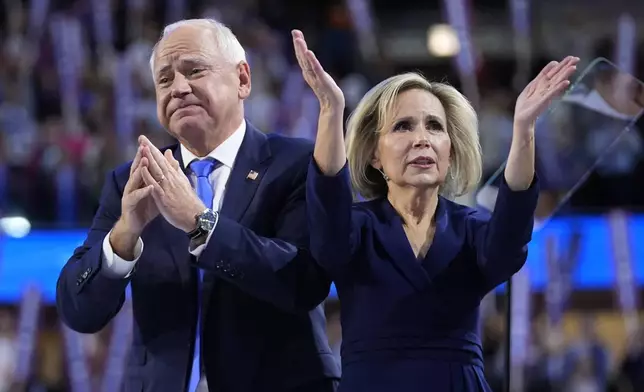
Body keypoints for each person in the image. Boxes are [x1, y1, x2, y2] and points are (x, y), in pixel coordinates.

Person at [56, 19, 341, 392]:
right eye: (164, 79)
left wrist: (199, 222)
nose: (178, 88)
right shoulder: (133, 180)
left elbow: (304, 281)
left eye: (194, 71)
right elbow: (80, 312)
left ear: (242, 80)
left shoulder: (296, 164)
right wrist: (124, 236)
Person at [292, 29, 579, 391]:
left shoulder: (473, 229)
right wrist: (331, 111)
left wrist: (523, 129)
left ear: (450, 150)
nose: (422, 138)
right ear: (375, 155)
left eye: (434, 126)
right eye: (402, 126)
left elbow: (509, 241)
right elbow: (328, 223)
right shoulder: (356, 227)